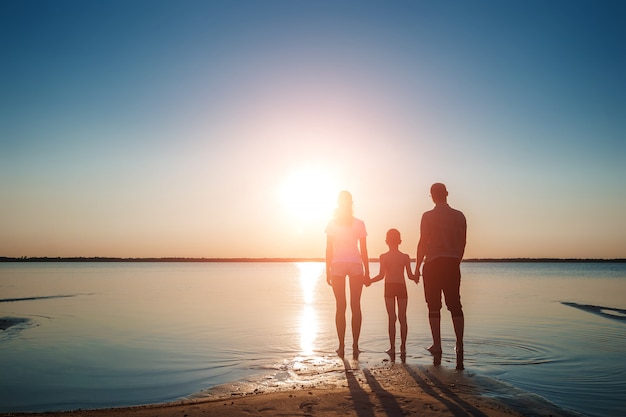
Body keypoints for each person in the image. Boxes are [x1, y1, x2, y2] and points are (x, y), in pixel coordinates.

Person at [414, 183, 467, 369]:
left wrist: (417, 267)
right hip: (452, 263)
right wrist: (456, 261)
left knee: (433, 305)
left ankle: (437, 344)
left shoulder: (427, 216)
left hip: (433, 264)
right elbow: (462, 243)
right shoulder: (459, 216)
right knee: (455, 304)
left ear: (432, 196)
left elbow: (422, 243)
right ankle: (459, 344)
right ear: (446, 194)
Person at [325, 190, 370, 359]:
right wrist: (367, 270)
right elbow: (364, 250)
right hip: (355, 265)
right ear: (351, 203)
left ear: (338, 203)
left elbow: (329, 249)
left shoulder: (332, 223)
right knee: (355, 305)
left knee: (340, 306)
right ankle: (355, 346)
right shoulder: (359, 223)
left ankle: (342, 346)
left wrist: (327, 269)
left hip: (337, 265)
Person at [368, 228, 414, 361]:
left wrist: (370, 280)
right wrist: (417, 276)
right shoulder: (405, 257)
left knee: (392, 318)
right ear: (400, 241)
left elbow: (381, 276)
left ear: (386, 241)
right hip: (401, 287)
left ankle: (393, 347)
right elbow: (410, 276)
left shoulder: (384, 257)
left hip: (390, 287)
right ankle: (402, 347)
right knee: (402, 317)